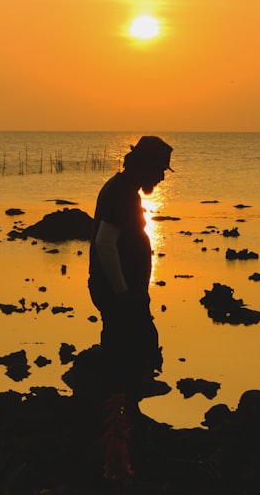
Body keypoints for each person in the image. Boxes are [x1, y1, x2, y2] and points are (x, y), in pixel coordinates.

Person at [87, 135, 173, 482]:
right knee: (126, 357)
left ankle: (126, 425)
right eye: (159, 170)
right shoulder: (120, 193)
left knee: (133, 353)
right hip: (119, 294)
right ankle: (119, 437)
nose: (163, 178)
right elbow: (105, 243)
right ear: (142, 165)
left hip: (126, 294)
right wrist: (124, 292)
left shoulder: (125, 191)